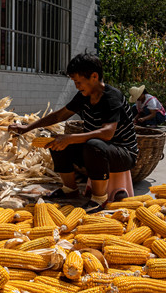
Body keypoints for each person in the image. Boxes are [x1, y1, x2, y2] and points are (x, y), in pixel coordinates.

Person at [8, 52, 138, 213]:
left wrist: (70, 138)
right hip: (97, 148)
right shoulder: (84, 96)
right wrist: (27, 127)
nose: (77, 86)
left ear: (94, 77)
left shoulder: (112, 97)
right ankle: (70, 189)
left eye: (78, 82)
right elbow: (59, 115)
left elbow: (107, 133)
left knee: (93, 145)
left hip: (124, 153)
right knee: (56, 142)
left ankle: (99, 199)